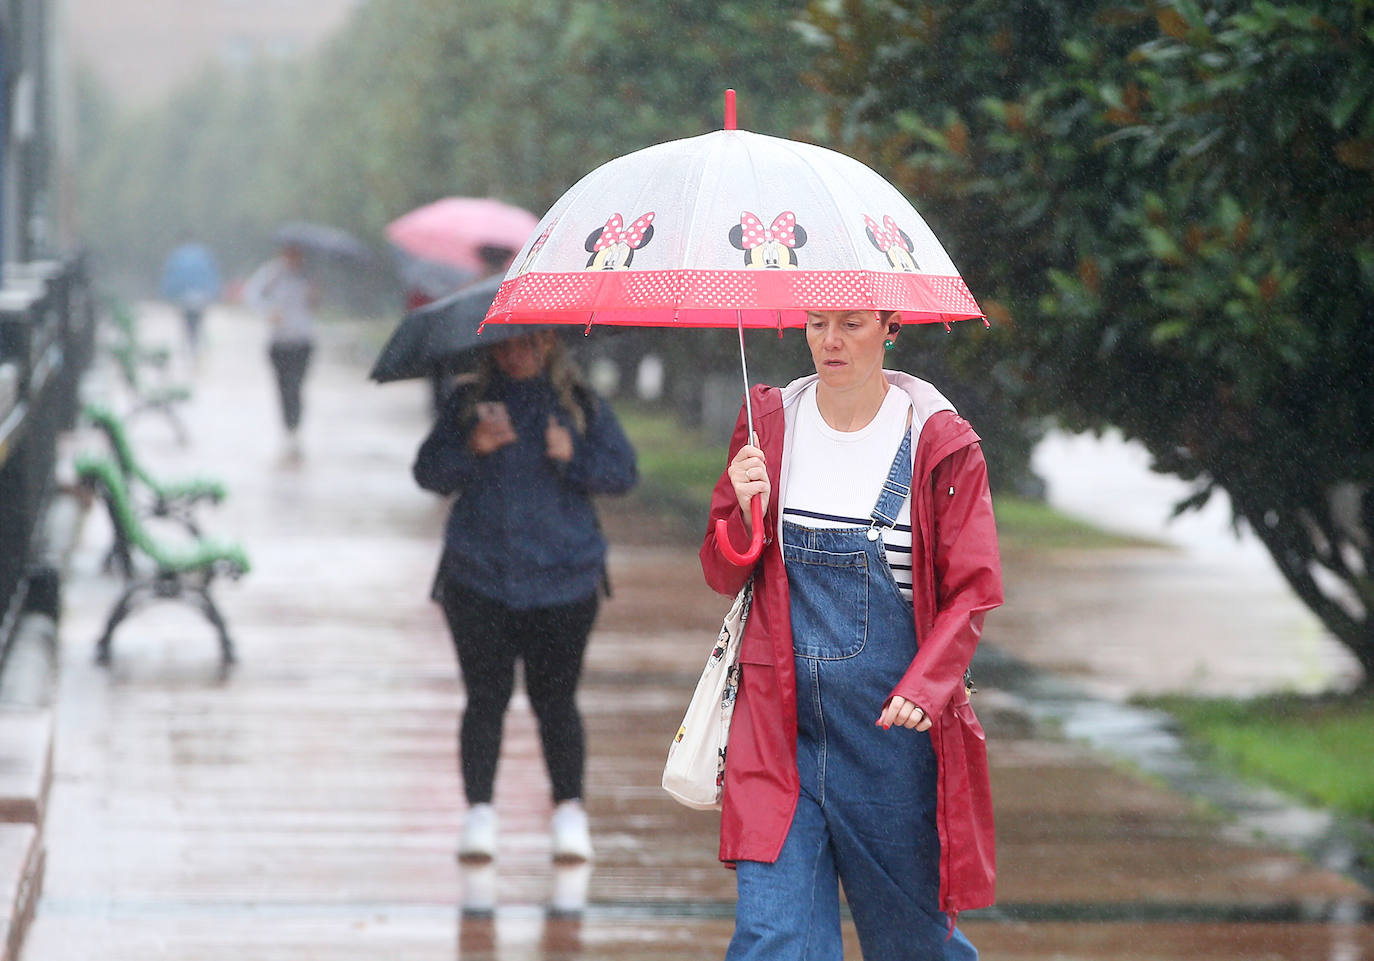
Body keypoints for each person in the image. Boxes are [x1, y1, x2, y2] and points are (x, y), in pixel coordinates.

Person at [699, 309, 1002, 960]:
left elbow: (973, 587)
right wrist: (737, 501)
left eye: (853, 323)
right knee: (771, 939)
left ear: (892, 327)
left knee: (913, 944)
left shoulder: (939, 443)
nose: (830, 341)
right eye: (817, 322)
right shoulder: (768, 423)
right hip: (778, 737)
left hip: (892, 745)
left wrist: (928, 685)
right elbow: (723, 571)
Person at [412, 329, 637, 864]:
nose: (517, 355)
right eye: (507, 345)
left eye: (530, 344)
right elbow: (428, 472)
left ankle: (568, 813)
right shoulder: (467, 404)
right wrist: (473, 447)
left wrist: (572, 454)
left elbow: (622, 473)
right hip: (479, 576)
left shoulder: (579, 404)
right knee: (484, 699)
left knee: (556, 701)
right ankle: (480, 813)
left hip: (566, 579)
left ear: (551, 346)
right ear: (491, 348)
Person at [243, 243, 317, 461]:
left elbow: (314, 305)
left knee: (297, 385)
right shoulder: (272, 274)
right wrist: (268, 311)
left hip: (303, 340)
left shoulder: (309, 276)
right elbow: (251, 294)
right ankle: (288, 427)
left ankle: (296, 427)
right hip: (279, 341)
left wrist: (315, 294)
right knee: (284, 386)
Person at [159, 235, 222, 363]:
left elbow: (170, 279)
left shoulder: (176, 256)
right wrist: (215, 293)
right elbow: (213, 275)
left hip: (184, 298)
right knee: (199, 324)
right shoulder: (203, 254)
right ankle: (200, 351)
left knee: (188, 326)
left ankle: (190, 352)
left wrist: (167, 295)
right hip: (202, 297)